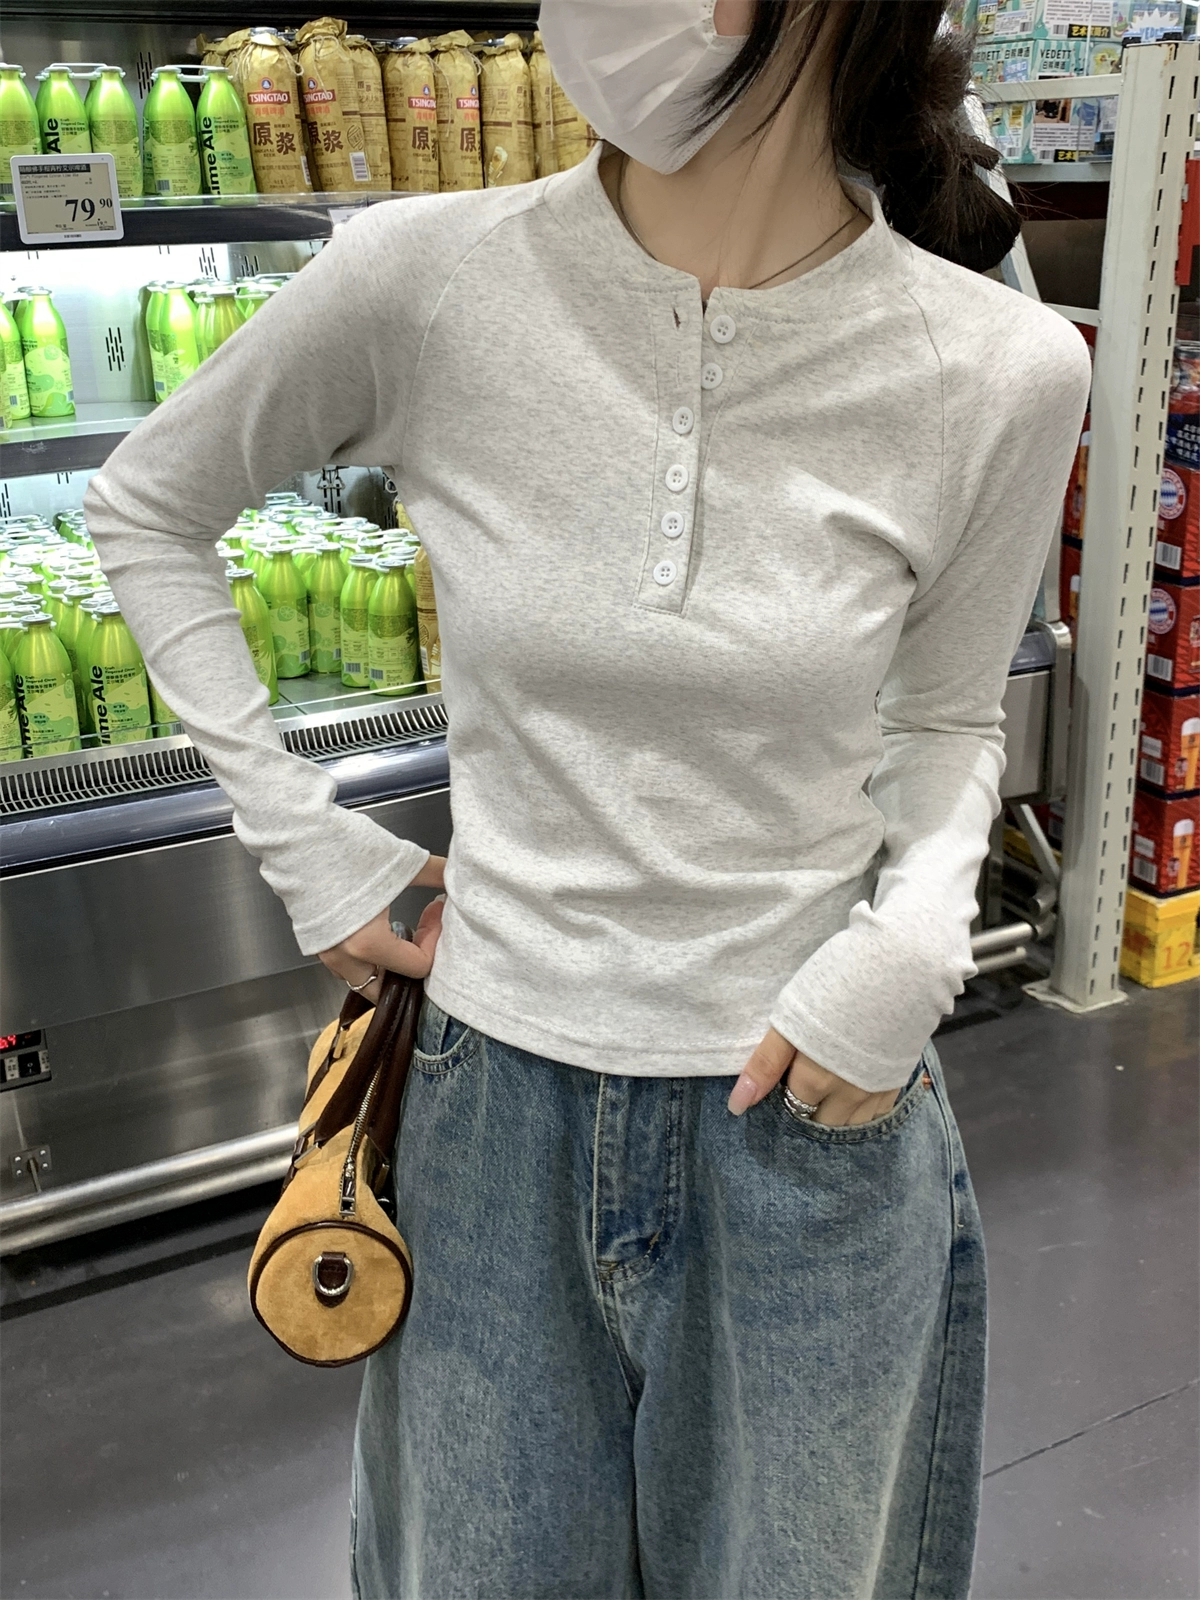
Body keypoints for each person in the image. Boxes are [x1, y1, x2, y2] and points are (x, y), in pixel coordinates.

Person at [86, 2, 1092, 1594]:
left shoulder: (999, 365)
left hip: (815, 1120)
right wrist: (302, 845)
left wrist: (917, 941)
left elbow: (948, 713)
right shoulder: (427, 278)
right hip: (491, 1117)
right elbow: (147, 506)